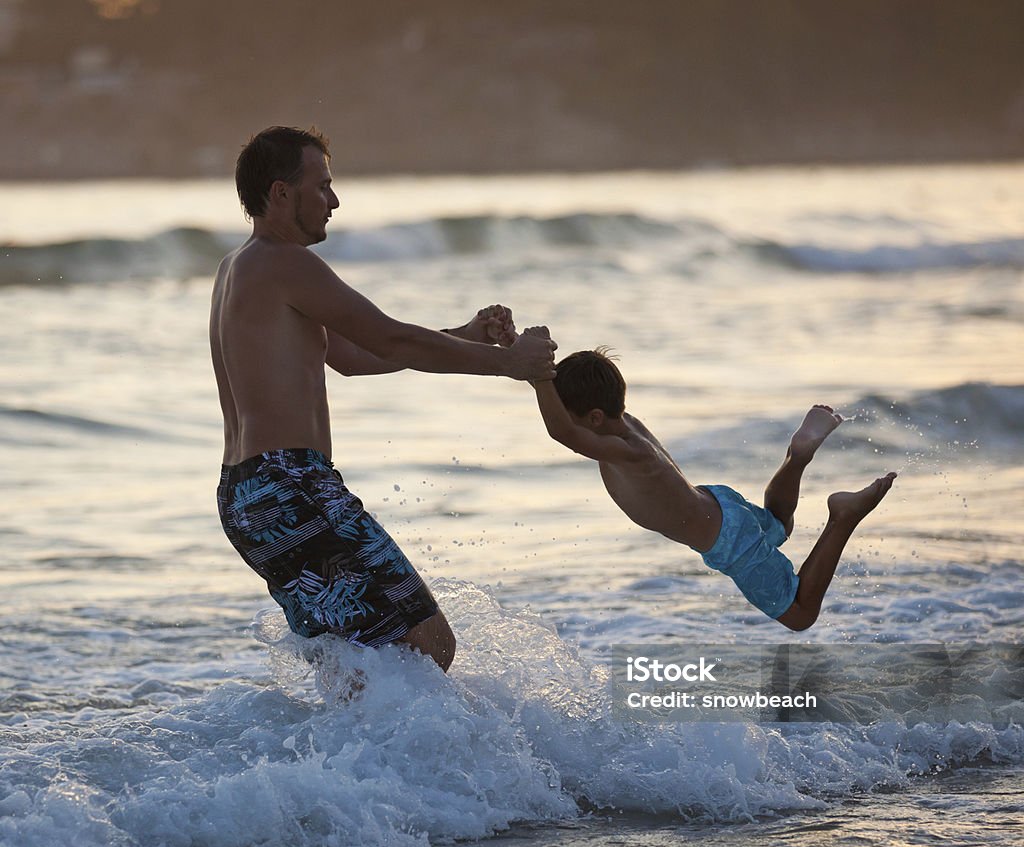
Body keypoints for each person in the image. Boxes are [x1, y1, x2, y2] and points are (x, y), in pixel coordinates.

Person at [211, 126, 557, 671]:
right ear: (280, 193)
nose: (334, 200)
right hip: (294, 488)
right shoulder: (285, 263)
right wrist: (509, 365)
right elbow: (390, 337)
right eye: (321, 186)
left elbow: (352, 356)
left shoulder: (238, 269)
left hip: (248, 497)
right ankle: (411, 759)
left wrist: (464, 334)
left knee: (357, 666)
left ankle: (338, 760)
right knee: (429, 648)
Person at [527, 335, 896, 630]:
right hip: (719, 505)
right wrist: (531, 369)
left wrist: (540, 378)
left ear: (593, 418)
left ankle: (843, 516)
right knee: (779, 526)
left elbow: (561, 432)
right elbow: (566, 419)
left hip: (727, 540)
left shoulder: (625, 451)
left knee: (800, 615)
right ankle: (798, 455)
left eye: (574, 419)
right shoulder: (625, 424)